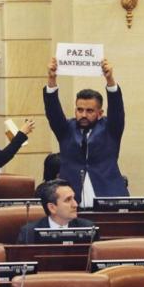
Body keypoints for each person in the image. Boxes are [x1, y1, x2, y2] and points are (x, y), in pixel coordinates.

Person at [44, 57, 127, 207]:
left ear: (100, 113)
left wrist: (110, 80)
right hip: (71, 201)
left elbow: (117, 109)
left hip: (108, 198)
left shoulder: (110, 129)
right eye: (80, 110)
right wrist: (51, 79)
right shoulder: (66, 129)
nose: (83, 115)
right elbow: (53, 112)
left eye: (89, 111)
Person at [17, 179, 96, 244]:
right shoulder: (29, 233)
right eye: (68, 200)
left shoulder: (88, 228)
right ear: (52, 208)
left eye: (74, 198)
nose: (75, 204)